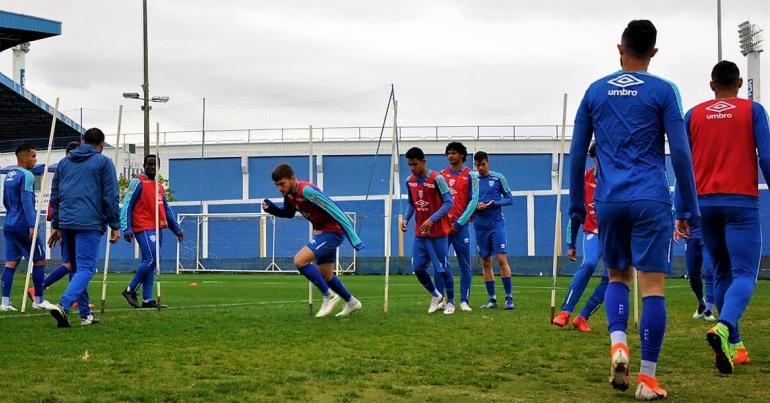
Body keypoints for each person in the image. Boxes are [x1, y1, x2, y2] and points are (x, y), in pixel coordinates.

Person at [569, 20, 699, 400]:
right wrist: (688, 208)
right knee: (653, 287)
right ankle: (647, 378)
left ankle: (619, 342)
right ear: (654, 53)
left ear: (619, 49)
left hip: (608, 201)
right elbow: (681, 152)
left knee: (617, 278)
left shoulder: (594, 91)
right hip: (651, 198)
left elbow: (577, 155)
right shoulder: (663, 91)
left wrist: (577, 206)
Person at [678, 60, 770, 374]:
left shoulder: (693, 115)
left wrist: (681, 210)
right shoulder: (753, 111)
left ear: (711, 84)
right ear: (740, 82)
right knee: (745, 274)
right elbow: (767, 155)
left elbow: (683, 166)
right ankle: (724, 325)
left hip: (704, 206)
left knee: (721, 273)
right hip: (741, 204)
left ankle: (736, 346)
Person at [262, 163, 363, 318]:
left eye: (282, 184)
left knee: (299, 261)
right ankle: (352, 302)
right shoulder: (288, 196)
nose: (280, 188)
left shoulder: (307, 191)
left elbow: (335, 210)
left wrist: (354, 238)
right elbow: (288, 213)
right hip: (322, 233)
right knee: (326, 275)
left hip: (332, 232)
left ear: (293, 179)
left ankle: (329, 296)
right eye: (277, 185)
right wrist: (271, 209)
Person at [48, 128, 121, 327]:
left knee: (75, 267)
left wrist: (56, 225)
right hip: (89, 222)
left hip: (67, 222)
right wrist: (115, 224)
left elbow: (55, 196)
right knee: (86, 268)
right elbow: (111, 195)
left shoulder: (64, 163)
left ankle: (85, 314)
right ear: (102, 145)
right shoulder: (104, 162)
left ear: (82, 141)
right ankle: (63, 305)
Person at [553, 143, 608, 332]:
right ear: (593, 158)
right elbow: (576, 212)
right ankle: (565, 312)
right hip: (592, 231)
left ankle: (583, 316)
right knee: (589, 264)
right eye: (599, 155)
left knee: (612, 277)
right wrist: (571, 243)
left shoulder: (619, 177)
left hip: (615, 234)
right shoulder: (586, 178)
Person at [120, 154, 183, 308]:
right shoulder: (137, 182)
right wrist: (126, 228)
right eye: (149, 164)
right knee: (151, 259)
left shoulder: (159, 187)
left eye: (155, 165)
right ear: (144, 165)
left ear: (159, 167)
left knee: (151, 262)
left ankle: (147, 299)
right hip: (143, 227)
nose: (152, 167)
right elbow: (127, 204)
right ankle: (130, 290)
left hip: (157, 227)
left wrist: (176, 229)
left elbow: (166, 210)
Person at [400, 147, 455, 314]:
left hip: (438, 232)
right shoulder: (410, 181)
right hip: (420, 233)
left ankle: (451, 302)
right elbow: (412, 203)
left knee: (443, 268)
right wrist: (406, 218)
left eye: (415, 164)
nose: (412, 168)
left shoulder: (437, 179)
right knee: (417, 268)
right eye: (409, 165)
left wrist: (432, 219)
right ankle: (436, 295)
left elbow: (449, 202)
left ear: (424, 161)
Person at [1, 144, 56, 311]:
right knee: (39, 259)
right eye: (33, 156)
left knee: (11, 262)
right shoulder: (28, 175)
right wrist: (32, 224)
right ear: (23, 157)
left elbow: (5, 200)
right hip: (23, 224)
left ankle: (5, 302)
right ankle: (38, 300)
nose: (36, 159)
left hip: (9, 223)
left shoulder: (10, 175)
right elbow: (27, 202)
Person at [29, 141, 82, 307]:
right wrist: (56, 226)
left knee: (73, 263)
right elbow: (56, 199)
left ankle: (73, 297)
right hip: (67, 222)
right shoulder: (66, 171)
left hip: (65, 221)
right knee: (71, 263)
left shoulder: (65, 171)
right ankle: (40, 288)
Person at [434, 142, 478, 312]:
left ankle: (464, 301)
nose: (450, 155)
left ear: (462, 155)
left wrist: (460, 223)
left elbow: (473, 201)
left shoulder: (471, 175)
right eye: (448, 153)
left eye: (454, 153)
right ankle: (440, 299)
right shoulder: (440, 176)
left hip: (461, 227)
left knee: (464, 264)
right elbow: (437, 201)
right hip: (443, 228)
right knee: (440, 264)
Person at [472, 151, 515, 310]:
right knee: (485, 261)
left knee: (501, 259)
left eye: (483, 164)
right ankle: (492, 300)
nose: (480, 168)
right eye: (477, 165)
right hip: (479, 226)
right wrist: (475, 206)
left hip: (496, 224)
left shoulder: (498, 178)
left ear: (488, 162)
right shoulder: (473, 180)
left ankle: (509, 298)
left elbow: (510, 199)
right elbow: (467, 201)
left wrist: (493, 203)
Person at [681, 224, 716, 321]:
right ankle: (702, 303)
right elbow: (680, 212)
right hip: (691, 237)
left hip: (707, 236)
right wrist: (680, 227)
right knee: (692, 274)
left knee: (709, 271)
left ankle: (709, 309)